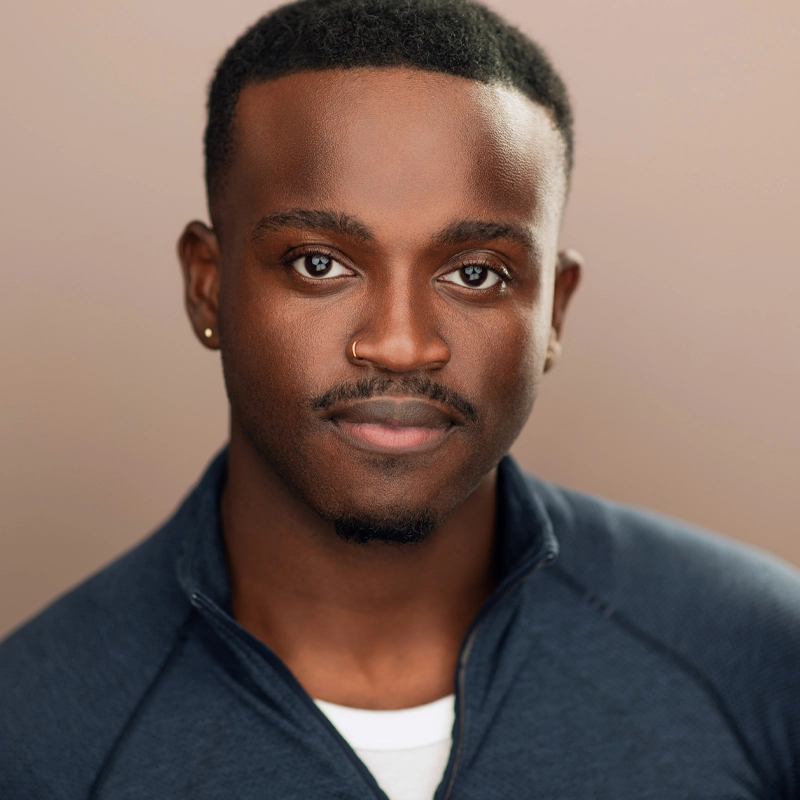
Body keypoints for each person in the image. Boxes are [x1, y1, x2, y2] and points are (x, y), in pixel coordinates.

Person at [2, 0, 799, 796]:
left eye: (476, 273)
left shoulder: (757, 656)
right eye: (319, 263)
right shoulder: (33, 733)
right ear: (207, 287)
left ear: (553, 311)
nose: (401, 343)